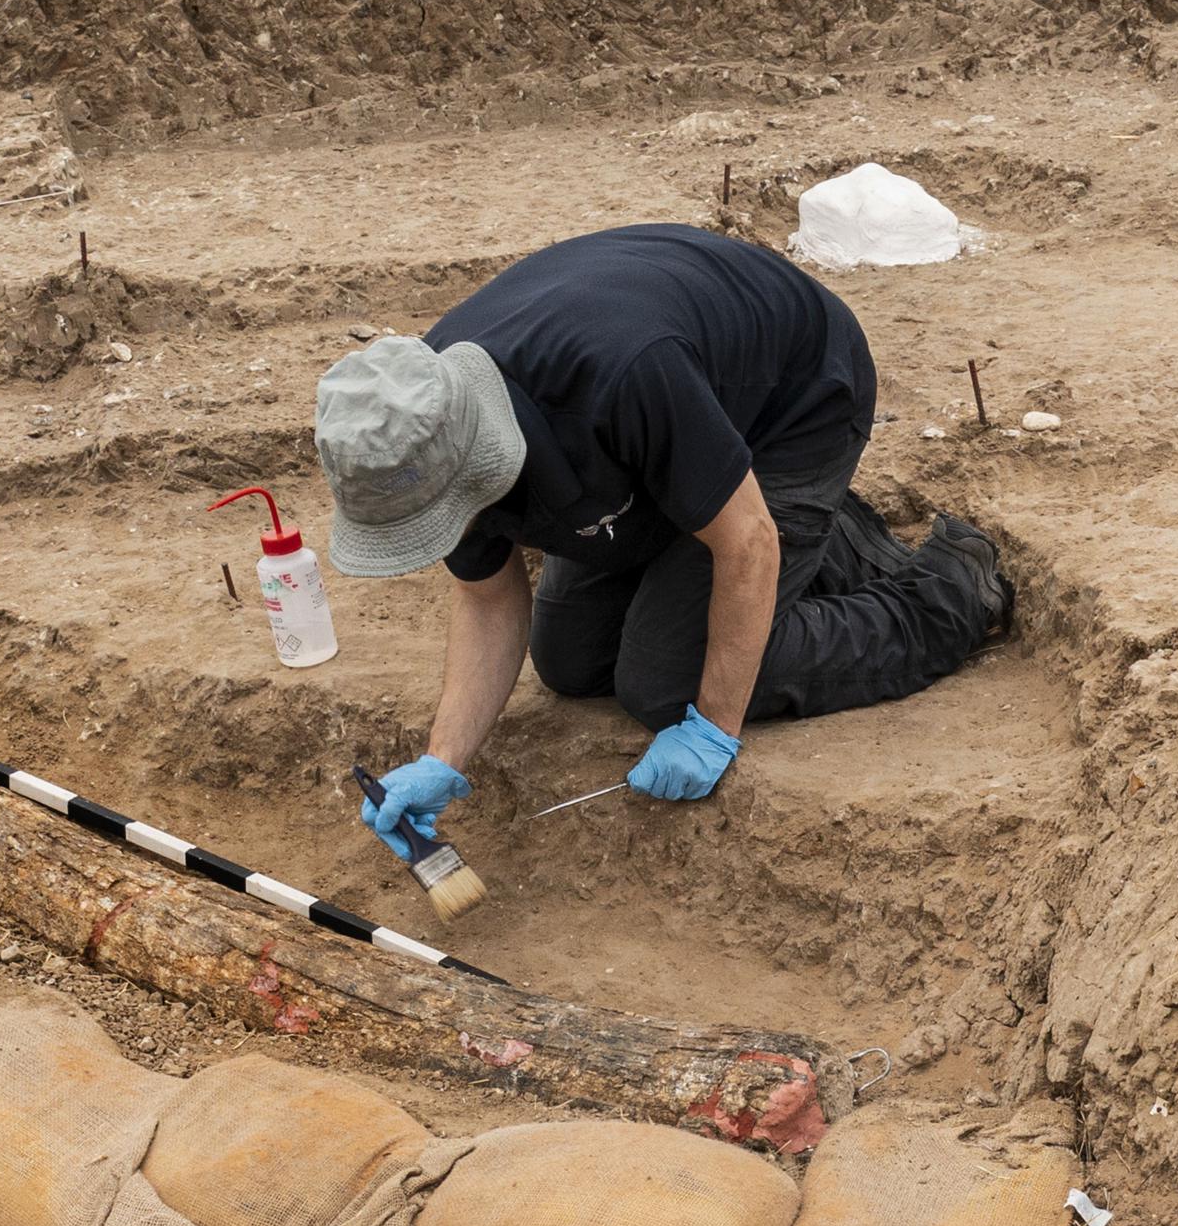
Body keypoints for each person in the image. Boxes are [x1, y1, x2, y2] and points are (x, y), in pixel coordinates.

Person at [312, 222, 1008, 860]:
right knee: (569, 660)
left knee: (662, 682)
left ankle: (946, 591)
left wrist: (713, 728)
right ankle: (780, 518)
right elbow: (488, 600)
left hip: (790, 401)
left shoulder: (614, 376)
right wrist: (444, 759)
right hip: (665, 424)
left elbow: (745, 543)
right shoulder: (415, 424)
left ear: (477, 464)